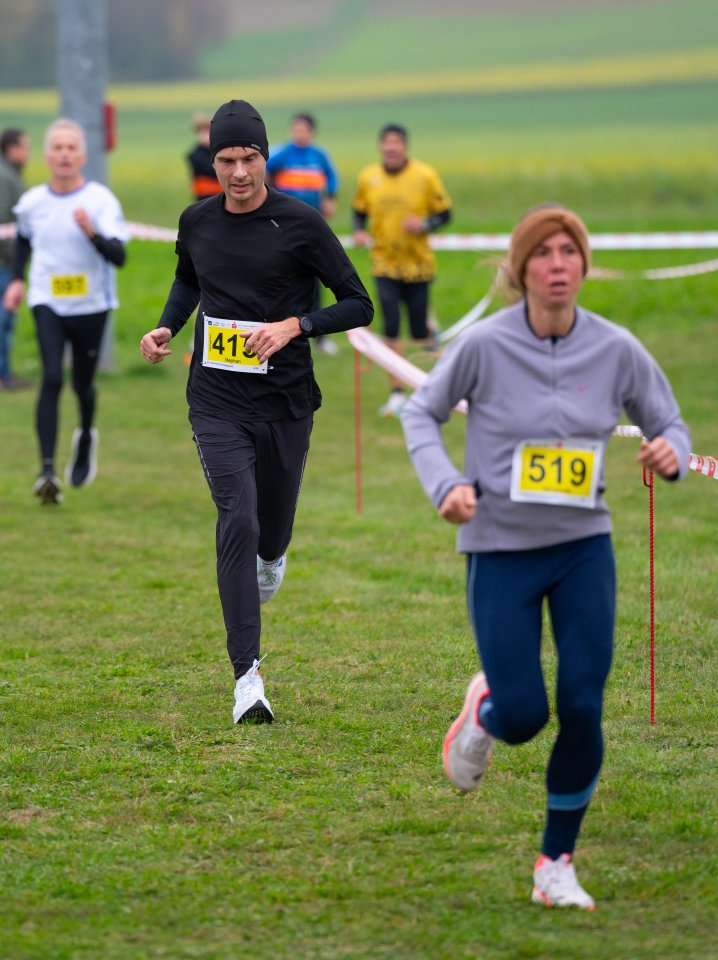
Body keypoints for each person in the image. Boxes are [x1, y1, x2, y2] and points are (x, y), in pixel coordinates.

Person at [400, 205, 690, 910]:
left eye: (569, 252)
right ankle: (486, 709)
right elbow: (420, 412)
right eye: (543, 253)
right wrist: (446, 485)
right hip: (500, 548)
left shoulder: (617, 348)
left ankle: (555, 863)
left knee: (583, 706)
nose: (558, 265)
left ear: (584, 265)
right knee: (527, 715)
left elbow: (670, 423)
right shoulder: (484, 345)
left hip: (583, 549)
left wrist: (671, 453)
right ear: (519, 268)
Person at [139, 99, 373, 725]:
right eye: (226, 160)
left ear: (265, 159)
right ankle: (247, 678)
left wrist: (296, 325)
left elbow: (359, 303)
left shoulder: (300, 223)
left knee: (271, 531)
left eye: (248, 159)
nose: (238, 172)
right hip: (215, 400)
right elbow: (190, 280)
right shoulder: (196, 220)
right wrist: (166, 327)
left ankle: (273, 558)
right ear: (212, 161)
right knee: (236, 518)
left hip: (286, 401)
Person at [3, 119, 129, 505]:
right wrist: (18, 280)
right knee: (53, 377)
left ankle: (86, 434)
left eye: (71, 147)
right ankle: (47, 471)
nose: (64, 154)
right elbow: (23, 240)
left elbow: (119, 256)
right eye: (57, 147)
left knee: (82, 385)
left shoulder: (100, 201)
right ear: (46, 156)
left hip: (91, 304)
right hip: (48, 301)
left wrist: (91, 232)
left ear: (82, 156)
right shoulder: (32, 202)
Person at [352, 123, 452, 417]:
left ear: (405, 146)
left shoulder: (425, 175)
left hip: (418, 265)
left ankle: (426, 383)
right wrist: (359, 230)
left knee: (419, 333)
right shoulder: (368, 177)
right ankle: (397, 392)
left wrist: (425, 224)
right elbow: (359, 210)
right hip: (384, 263)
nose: (391, 148)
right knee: (391, 325)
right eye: (387, 142)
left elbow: (445, 213)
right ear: (380, 147)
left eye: (396, 142)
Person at [267, 112, 340, 355]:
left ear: (311, 132)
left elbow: (332, 177)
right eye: (295, 129)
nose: (299, 134)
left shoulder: (319, 155)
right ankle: (279, 332)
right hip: (285, 227)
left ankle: (319, 337)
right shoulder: (282, 154)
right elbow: (263, 171)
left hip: (313, 228)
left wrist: (330, 198)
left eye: (303, 130)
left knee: (315, 281)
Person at [0, 127, 31, 390]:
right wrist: (16, 259)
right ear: (11, 148)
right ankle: (3, 376)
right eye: (24, 147)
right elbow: (5, 224)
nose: (28, 153)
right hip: (3, 264)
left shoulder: (10, 175)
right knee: (3, 321)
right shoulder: (4, 177)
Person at [186, 112, 223, 201]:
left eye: (209, 132)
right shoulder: (195, 155)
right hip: (204, 196)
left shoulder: (218, 151)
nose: (207, 136)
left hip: (220, 195)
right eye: (204, 133)